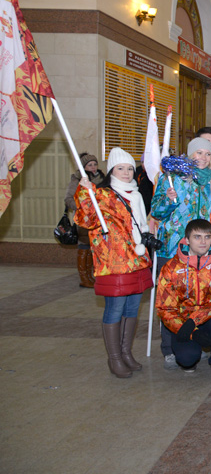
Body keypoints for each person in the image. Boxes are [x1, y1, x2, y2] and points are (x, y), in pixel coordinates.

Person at [74, 147, 154, 378]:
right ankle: (115, 358)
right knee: (115, 309)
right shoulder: (102, 195)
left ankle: (126, 352)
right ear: (111, 171)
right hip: (114, 262)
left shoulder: (135, 195)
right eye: (120, 168)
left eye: (129, 168)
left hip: (138, 260)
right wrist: (84, 192)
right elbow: (85, 218)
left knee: (132, 308)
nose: (126, 173)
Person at [150, 137, 211, 370]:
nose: (203, 158)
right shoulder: (172, 177)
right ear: (190, 154)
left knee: (198, 296)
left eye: (207, 154)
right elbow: (156, 211)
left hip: (201, 249)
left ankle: (196, 341)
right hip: (172, 248)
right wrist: (168, 201)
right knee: (171, 299)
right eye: (198, 153)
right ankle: (169, 347)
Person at [156, 220, 211, 382]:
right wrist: (191, 330)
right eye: (197, 237)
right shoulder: (171, 268)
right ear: (187, 240)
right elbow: (165, 308)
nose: (203, 242)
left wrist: (195, 320)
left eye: (207, 237)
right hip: (183, 322)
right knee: (187, 359)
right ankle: (191, 351)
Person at [65, 152, 104, 288]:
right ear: (83, 167)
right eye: (89, 165)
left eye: (95, 164)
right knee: (84, 246)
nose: (93, 167)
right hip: (84, 219)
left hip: (99, 218)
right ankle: (84, 277)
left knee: (93, 247)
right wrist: (83, 208)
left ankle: (91, 276)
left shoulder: (102, 178)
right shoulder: (77, 179)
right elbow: (68, 198)